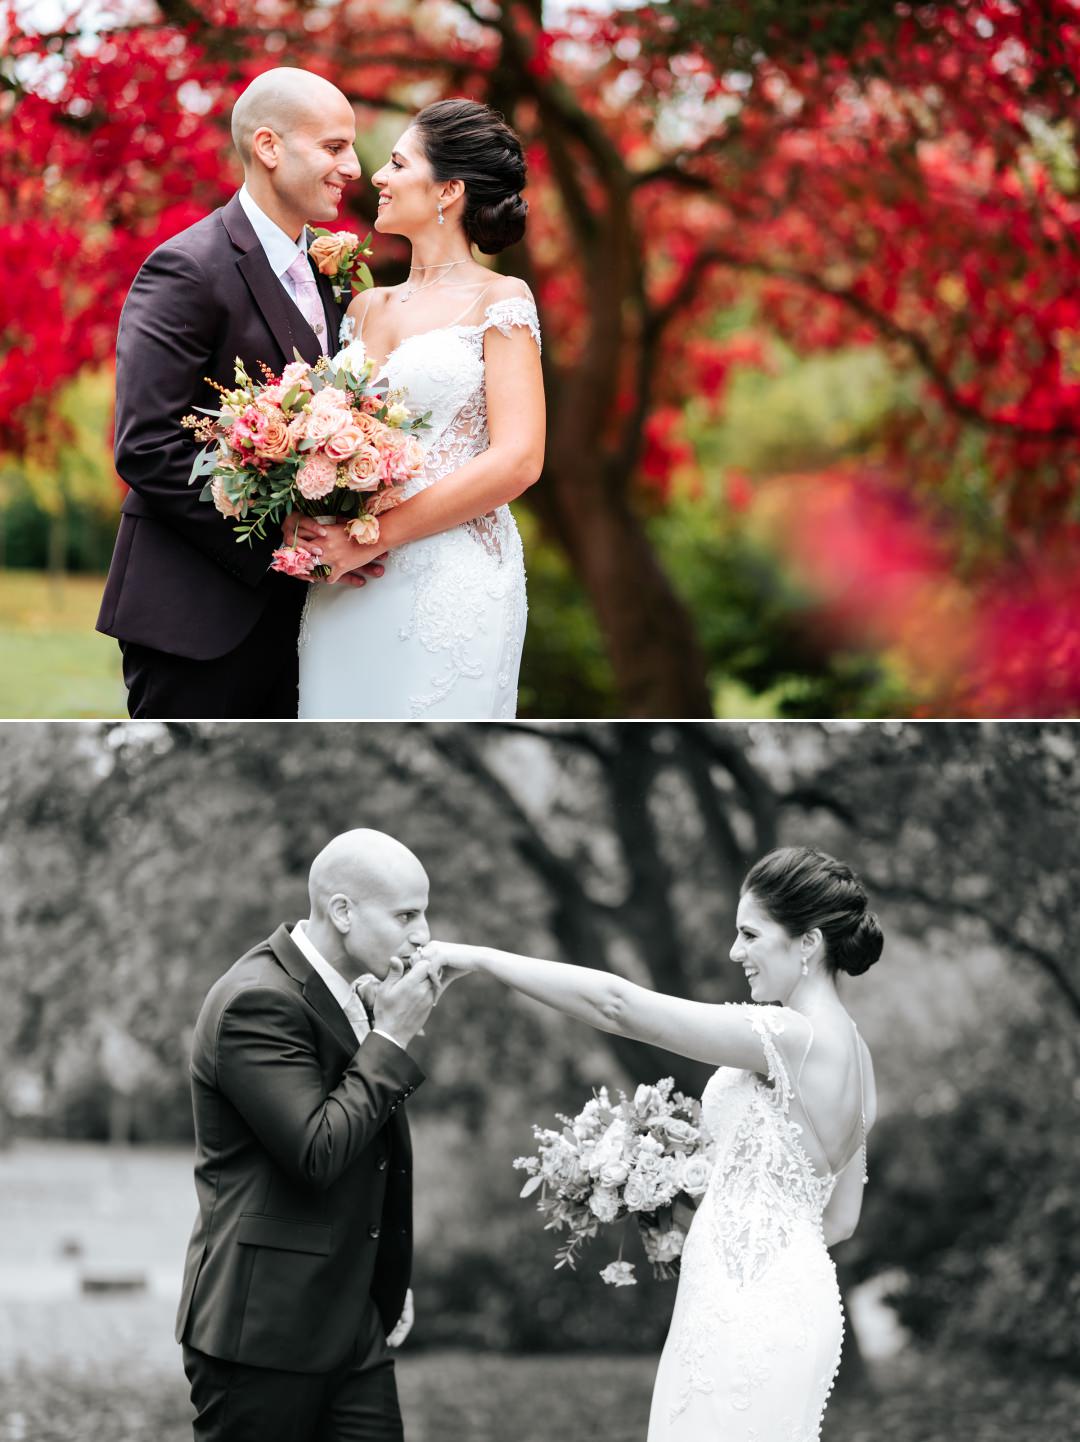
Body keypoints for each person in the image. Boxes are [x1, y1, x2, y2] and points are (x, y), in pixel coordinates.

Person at [425, 846, 881, 1442]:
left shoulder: (789, 1036)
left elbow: (618, 1006)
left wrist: (481, 958)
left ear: (808, 943)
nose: (734, 952)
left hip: (744, 1303)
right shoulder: (858, 1056)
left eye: (749, 934)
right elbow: (841, 1219)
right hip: (795, 1294)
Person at [96, 68, 383, 718]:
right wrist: (283, 533)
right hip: (198, 620)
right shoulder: (186, 269)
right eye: (334, 147)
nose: (354, 167)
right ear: (269, 147)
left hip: (316, 623)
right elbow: (146, 447)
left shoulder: (335, 276)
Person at [176, 829, 439, 1442]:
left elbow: (370, 1157)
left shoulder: (346, 993)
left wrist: (384, 1276)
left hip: (351, 1323)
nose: (424, 934)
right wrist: (391, 1039)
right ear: (343, 912)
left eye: (423, 913)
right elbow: (317, 1153)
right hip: (263, 1332)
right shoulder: (255, 1002)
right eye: (407, 915)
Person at [293, 98, 545, 718]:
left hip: (449, 580)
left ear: (449, 189)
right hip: (345, 582)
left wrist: (370, 537)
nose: (375, 176)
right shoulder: (361, 308)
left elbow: (519, 460)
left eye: (398, 163)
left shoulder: (501, 298)